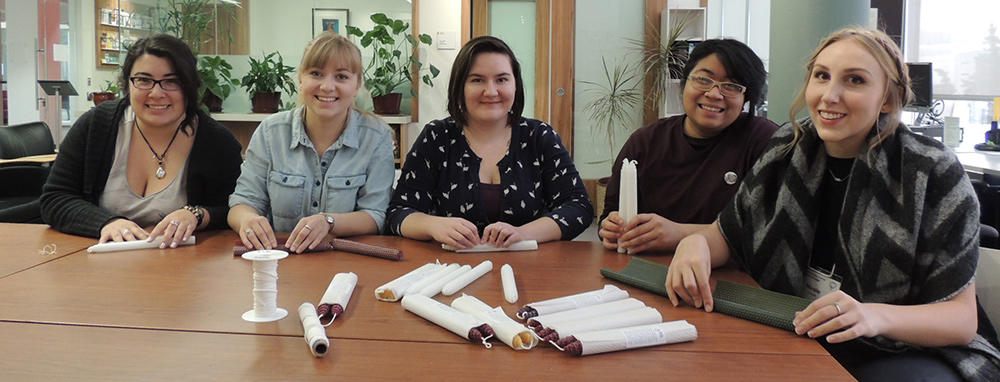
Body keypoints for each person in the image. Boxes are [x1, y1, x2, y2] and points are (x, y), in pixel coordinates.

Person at [665, 27, 1000, 380]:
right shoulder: (786, 149)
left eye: (854, 80)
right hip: (804, 330)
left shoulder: (930, 170)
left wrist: (872, 315)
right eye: (821, 76)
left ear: (886, 98)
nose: (830, 95)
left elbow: (960, 321)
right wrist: (695, 244)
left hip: (910, 348)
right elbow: (728, 235)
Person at [387, 36, 592, 249]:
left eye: (502, 79)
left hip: (531, 267)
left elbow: (579, 206)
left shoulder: (539, 135)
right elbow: (398, 212)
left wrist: (523, 233)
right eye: (477, 80)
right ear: (460, 86)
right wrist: (433, 224)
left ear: (515, 85)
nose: (491, 91)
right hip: (452, 269)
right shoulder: (437, 136)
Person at [39, 34, 242, 247]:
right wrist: (106, 222)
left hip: (180, 266)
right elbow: (55, 198)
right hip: (98, 262)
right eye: (144, 80)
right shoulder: (96, 126)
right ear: (128, 84)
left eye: (171, 81)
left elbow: (234, 208)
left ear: (189, 87)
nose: (156, 93)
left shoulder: (217, 142)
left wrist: (196, 214)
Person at [599, 38, 778, 254]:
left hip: (729, 277)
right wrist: (610, 228)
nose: (714, 94)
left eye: (731, 86)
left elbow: (769, 232)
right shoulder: (645, 142)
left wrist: (680, 234)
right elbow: (609, 215)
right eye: (703, 79)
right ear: (685, 83)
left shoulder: (764, 141)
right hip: (646, 269)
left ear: (746, 98)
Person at [228, 32, 394, 254]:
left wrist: (328, 221)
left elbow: (376, 215)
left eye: (341, 76)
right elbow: (242, 201)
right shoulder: (270, 132)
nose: (327, 86)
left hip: (347, 261)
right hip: (279, 261)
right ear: (301, 79)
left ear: (357, 85)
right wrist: (247, 219)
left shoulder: (377, 136)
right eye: (316, 73)